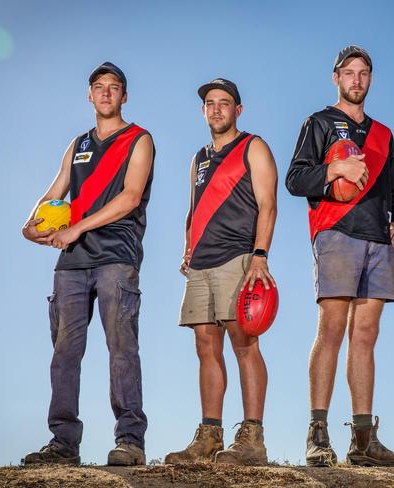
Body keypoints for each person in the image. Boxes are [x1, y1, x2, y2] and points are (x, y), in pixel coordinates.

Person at [21, 62, 155, 466]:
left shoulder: (139, 140)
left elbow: (131, 197)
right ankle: (64, 442)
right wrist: (31, 225)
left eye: (114, 88)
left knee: (121, 349)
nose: (106, 93)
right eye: (99, 87)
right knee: (64, 352)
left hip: (116, 256)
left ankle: (130, 441)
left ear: (124, 96)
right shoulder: (77, 144)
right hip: (71, 263)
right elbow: (53, 192)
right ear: (90, 95)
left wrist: (77, 227)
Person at [286, 46, 394, 467]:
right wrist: (335, 171)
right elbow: (295, 178)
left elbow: (391, 187)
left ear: (370, 79)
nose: (356, 80)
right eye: (349, 73)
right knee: (332, 330)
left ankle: (363, 440)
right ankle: (317, 433)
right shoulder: (319, 122)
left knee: (366, 337)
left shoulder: (384, 134)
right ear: (336, 77)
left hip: (378, 241)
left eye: (364, 73)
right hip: (336, 233)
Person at [164, 78, 278, 466]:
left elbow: (268, 204)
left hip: (239, 258)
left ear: (237, 110)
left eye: (224, 103)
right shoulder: (198, 158)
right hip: (200, 262)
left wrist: (260, 255)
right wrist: (187, 246)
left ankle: (252, 439)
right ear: (203, 111)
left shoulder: (253, 147)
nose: (216, 109)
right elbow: (193, 207)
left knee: (244, 345)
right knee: (205, 347)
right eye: (210, 103)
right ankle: (210, 435)